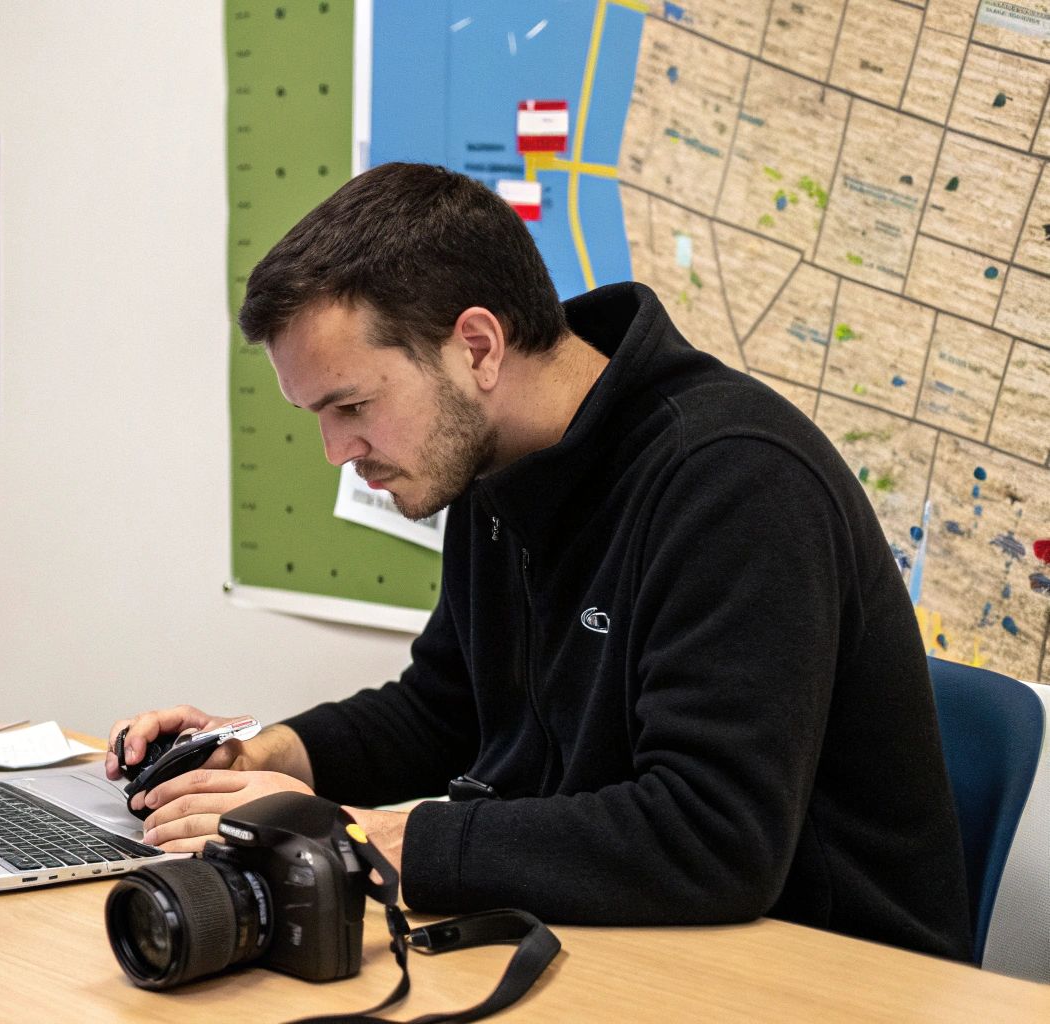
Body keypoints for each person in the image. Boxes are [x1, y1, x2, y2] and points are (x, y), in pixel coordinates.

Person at [108, 162, 972, 961]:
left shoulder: (737, 481)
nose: (338, 450)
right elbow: (449, 708)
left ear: (478, 347)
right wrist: (275, 755)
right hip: (620, 938)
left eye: (353, 404)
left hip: (818, 969)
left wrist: (378, 838)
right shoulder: (491, 464)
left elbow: (714, 836)